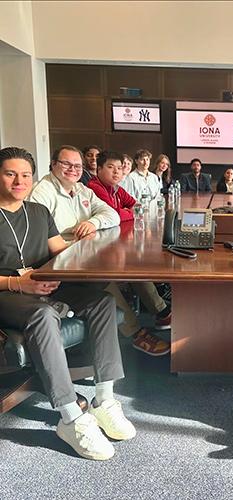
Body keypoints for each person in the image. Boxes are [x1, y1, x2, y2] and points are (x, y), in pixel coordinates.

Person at [0, 146, 135, 460]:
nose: (18, 181)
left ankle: (104, 400)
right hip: (7, 292)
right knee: (43, 315)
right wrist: (17, 283)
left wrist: (90, 260)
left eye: (24, 175)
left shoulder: (38, 213)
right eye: (10, 174)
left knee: (101, 302)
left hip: (40, 283)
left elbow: (61, 251)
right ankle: (70, 417)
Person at [83, 150, 173, 356]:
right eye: (110, 167)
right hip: (92, 252)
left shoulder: (115, 189)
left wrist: (126, 213)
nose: (116, 172)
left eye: (119, 168)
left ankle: (162, 312)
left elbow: (135, 206)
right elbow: (114, 214)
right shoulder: (94, 188)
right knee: (108, 281)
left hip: (111, 244)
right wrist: (126, 213)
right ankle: (135, 332)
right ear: (98, 169)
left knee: (136, 269)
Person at [29, 145, 120, 239]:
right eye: (66, 164)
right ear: (53, 164)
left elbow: (113, 215)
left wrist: (93, 223)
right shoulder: (41, 192)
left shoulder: (83, 190)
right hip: (59, 252)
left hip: (84, 247)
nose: (72, 169)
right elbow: (37, 237)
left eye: (77, 166)